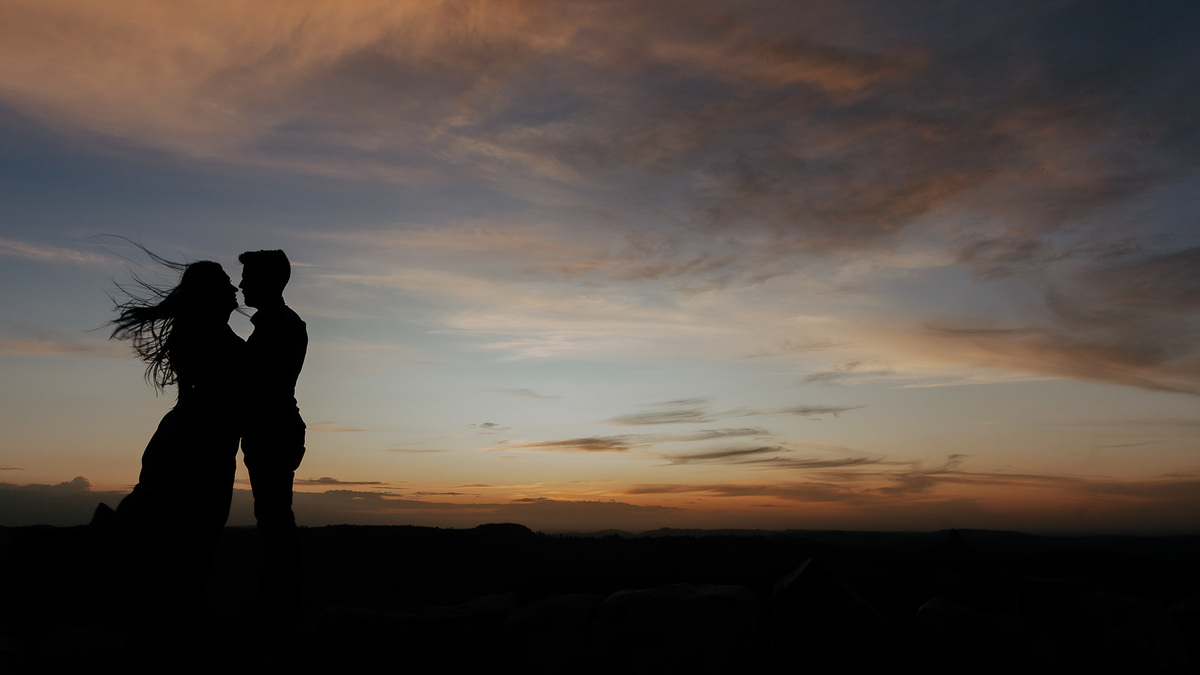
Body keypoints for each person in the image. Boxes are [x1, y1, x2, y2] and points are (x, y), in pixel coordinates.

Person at [107, 257, 245, 627]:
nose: (234, 289)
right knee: (192, 527)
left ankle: (167, 607)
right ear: (210, 294)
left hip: (195, 436)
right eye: (226, 283)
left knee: (186, 525)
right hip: (197, 439)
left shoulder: (205, 330)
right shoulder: (207, 334)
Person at [237, 249, 308, 614]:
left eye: (248, 277)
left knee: (275, 518)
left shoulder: (278, 324)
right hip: (277, 429)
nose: (242, 284)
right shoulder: (279, 322)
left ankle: (279, 603)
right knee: (274, 516)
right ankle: (278, 600)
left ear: (268, 280)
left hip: (274, 431)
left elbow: (261, 383)